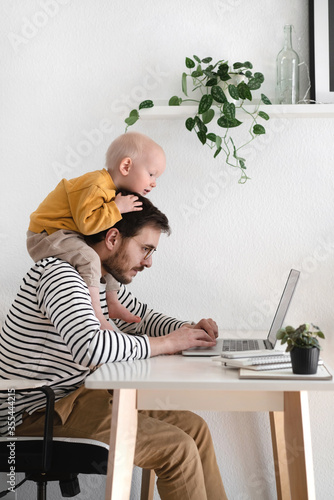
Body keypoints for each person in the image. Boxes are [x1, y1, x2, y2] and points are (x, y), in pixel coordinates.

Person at [0, 193, 228, 500]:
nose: (148, 262)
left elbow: (141, 318)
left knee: (195, 429)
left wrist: (187, 330)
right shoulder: (61, 275)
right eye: (145, 249)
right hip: (34, 413)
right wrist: (167, 343)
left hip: (75, 399)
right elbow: (90, 347)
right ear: (112, 237)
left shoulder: (102, 285)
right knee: (178, 449)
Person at [26, 131, 166, 329]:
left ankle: (113, 302)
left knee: (103, 259)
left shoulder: (110, 191)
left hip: (64, 232)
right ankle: (98, 315)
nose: (153, 182)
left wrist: (186, 328)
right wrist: (116, 208)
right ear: (126, 166)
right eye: (151, 174)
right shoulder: (96, 186)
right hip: (46, 234)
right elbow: (87, 224)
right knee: (90, 258)